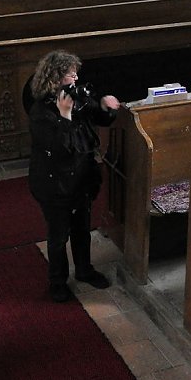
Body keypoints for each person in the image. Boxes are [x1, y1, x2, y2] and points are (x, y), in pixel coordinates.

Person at [27, 50, 121, 302]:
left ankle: (84, 269)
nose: (76, 77)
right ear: (56, 78)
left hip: (81, 177)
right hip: (53, 182)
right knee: (58, 234)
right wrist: (65, 116)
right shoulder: (40, 111)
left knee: (82, 227)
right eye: (71, 74)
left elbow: (97, 116)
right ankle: (57, 281)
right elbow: (59, 147)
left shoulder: (73, 96)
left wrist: (105, 107)